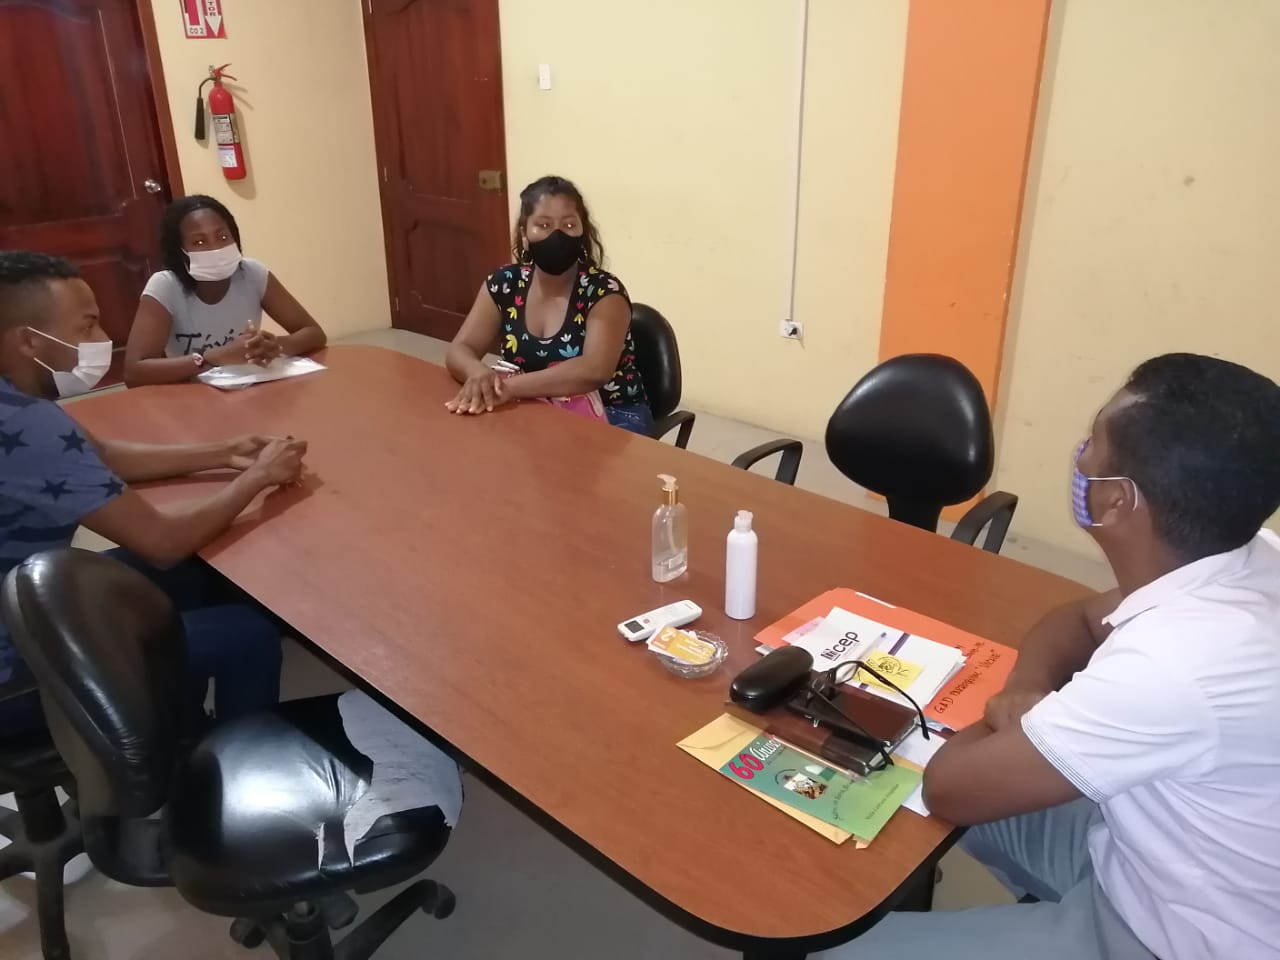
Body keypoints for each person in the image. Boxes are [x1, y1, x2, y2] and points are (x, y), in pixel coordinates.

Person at [820, 354, 1280, 960]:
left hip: (1176, 936)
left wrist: (1006, 719)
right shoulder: (1251, 555)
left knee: (824, 949)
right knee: (911, 757)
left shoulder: (1174, 664)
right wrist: (1025, 688)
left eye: (1094, 442)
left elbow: (949, 788)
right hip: (1141, 847)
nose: (1081, 456)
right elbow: (1077, 621)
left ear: (1116, 501)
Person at [0, 251, 308, 734]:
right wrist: (259, 477)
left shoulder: (16, 403)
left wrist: (224, 451)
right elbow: (161, 542)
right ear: (27, 340)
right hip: (20, 667)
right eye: (87, 326)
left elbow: (99, 454)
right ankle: (214, 763)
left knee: (195, 573)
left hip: (28, 599)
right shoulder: (27, 424)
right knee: (248, 635)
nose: (102, 339)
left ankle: (174, 714)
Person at [444, 175, 653, 434]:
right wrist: (478, 374)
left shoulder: (603, 290)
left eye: (569, 224)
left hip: (614, 413)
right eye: (543, 225)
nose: (557, 234)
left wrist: (506, 388)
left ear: (582, 231)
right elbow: (460, 349)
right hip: (533, 406)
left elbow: (594, 370)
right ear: (524, 233)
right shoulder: (505, 283)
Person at [123, 195, 326, 386]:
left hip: (249, 390)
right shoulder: (165, 285)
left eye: (222, 236)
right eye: (199, 242)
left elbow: (314, 333)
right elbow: (134, 373)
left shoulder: (252, 273)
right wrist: (211, 359)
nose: (215, 248)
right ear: (179, 251)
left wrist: (274, 346)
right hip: (191, 396)